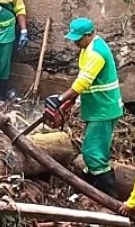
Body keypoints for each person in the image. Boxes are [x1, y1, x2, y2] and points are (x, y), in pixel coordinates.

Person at [44, 18, 122, 198]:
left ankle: (110, 198)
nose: (75, 42)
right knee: (92, 150)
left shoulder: (96, 53)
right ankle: (90, 186)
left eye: (78, 38)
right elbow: (85, 80)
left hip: (103, 109)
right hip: (97, 108)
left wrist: (61, 98)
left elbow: (83, 81)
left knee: (93, 153)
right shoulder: (88, 48)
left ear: (89, 34)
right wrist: (71, 101)